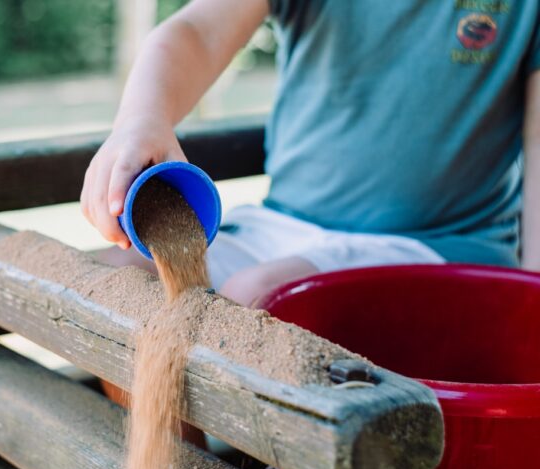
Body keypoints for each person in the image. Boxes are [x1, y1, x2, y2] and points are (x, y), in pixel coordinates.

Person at [81, 0, 540, 307]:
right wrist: (143, 118)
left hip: (440, 243)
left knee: (262, 295)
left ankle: (254, 458)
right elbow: (198, 31)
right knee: (121, 280)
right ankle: (179, 455)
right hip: (284, 225)